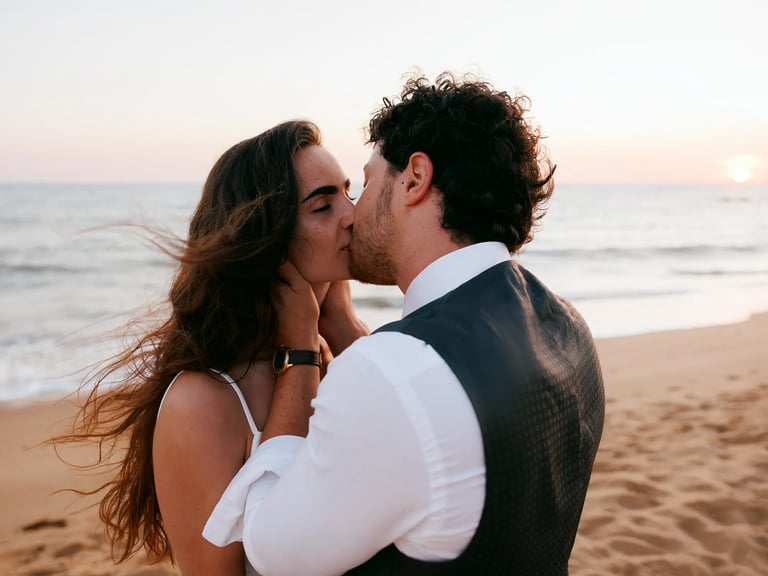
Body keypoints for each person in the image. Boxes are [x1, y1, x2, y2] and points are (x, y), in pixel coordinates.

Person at [205, 73, 605, 575]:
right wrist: (342, 323)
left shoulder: (393, 372)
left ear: (414, 178)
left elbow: (272, 556)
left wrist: (302, 350)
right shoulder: (569, 327)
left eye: (367, 183)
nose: (354, 214)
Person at [54, 120, 364, 576]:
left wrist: (343, 325)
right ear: (267, 236)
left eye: (347, 192)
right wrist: (299, 349)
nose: (352, 214)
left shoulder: (339, 355)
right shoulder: (203, 401)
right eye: (322, 205)